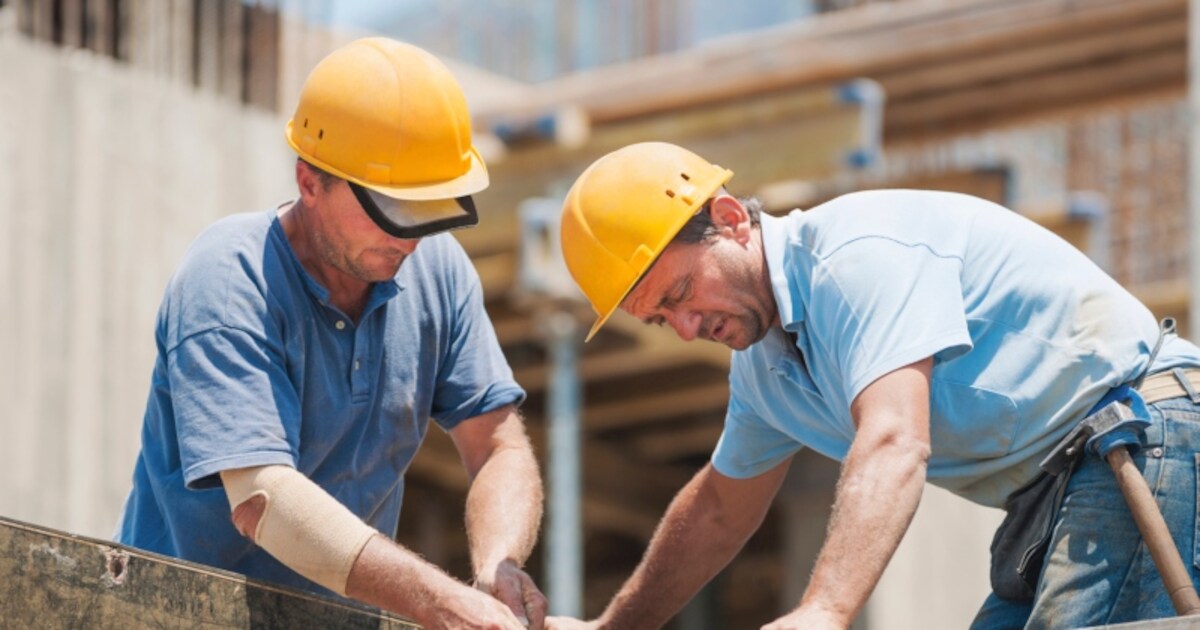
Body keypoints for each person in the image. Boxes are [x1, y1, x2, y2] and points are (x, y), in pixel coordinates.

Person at [548, 141, 1200, 629]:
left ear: (729, 217)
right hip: (1052, 489)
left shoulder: (851, 259)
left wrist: (826, 610)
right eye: (662, 319)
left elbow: (893, 441)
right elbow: (721, 509)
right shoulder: (766, 371)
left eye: (683, 292)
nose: (686, 329)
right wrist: (614, 628)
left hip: (1141, 430)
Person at [115, 38, 547, 630]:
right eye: (392, 209)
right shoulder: (230, 278)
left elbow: (498, 444)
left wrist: (497, 568)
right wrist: (442, 603)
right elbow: (263, 501)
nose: (410, 238)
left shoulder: (437, 272)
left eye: (430, 209)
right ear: (310, 181)